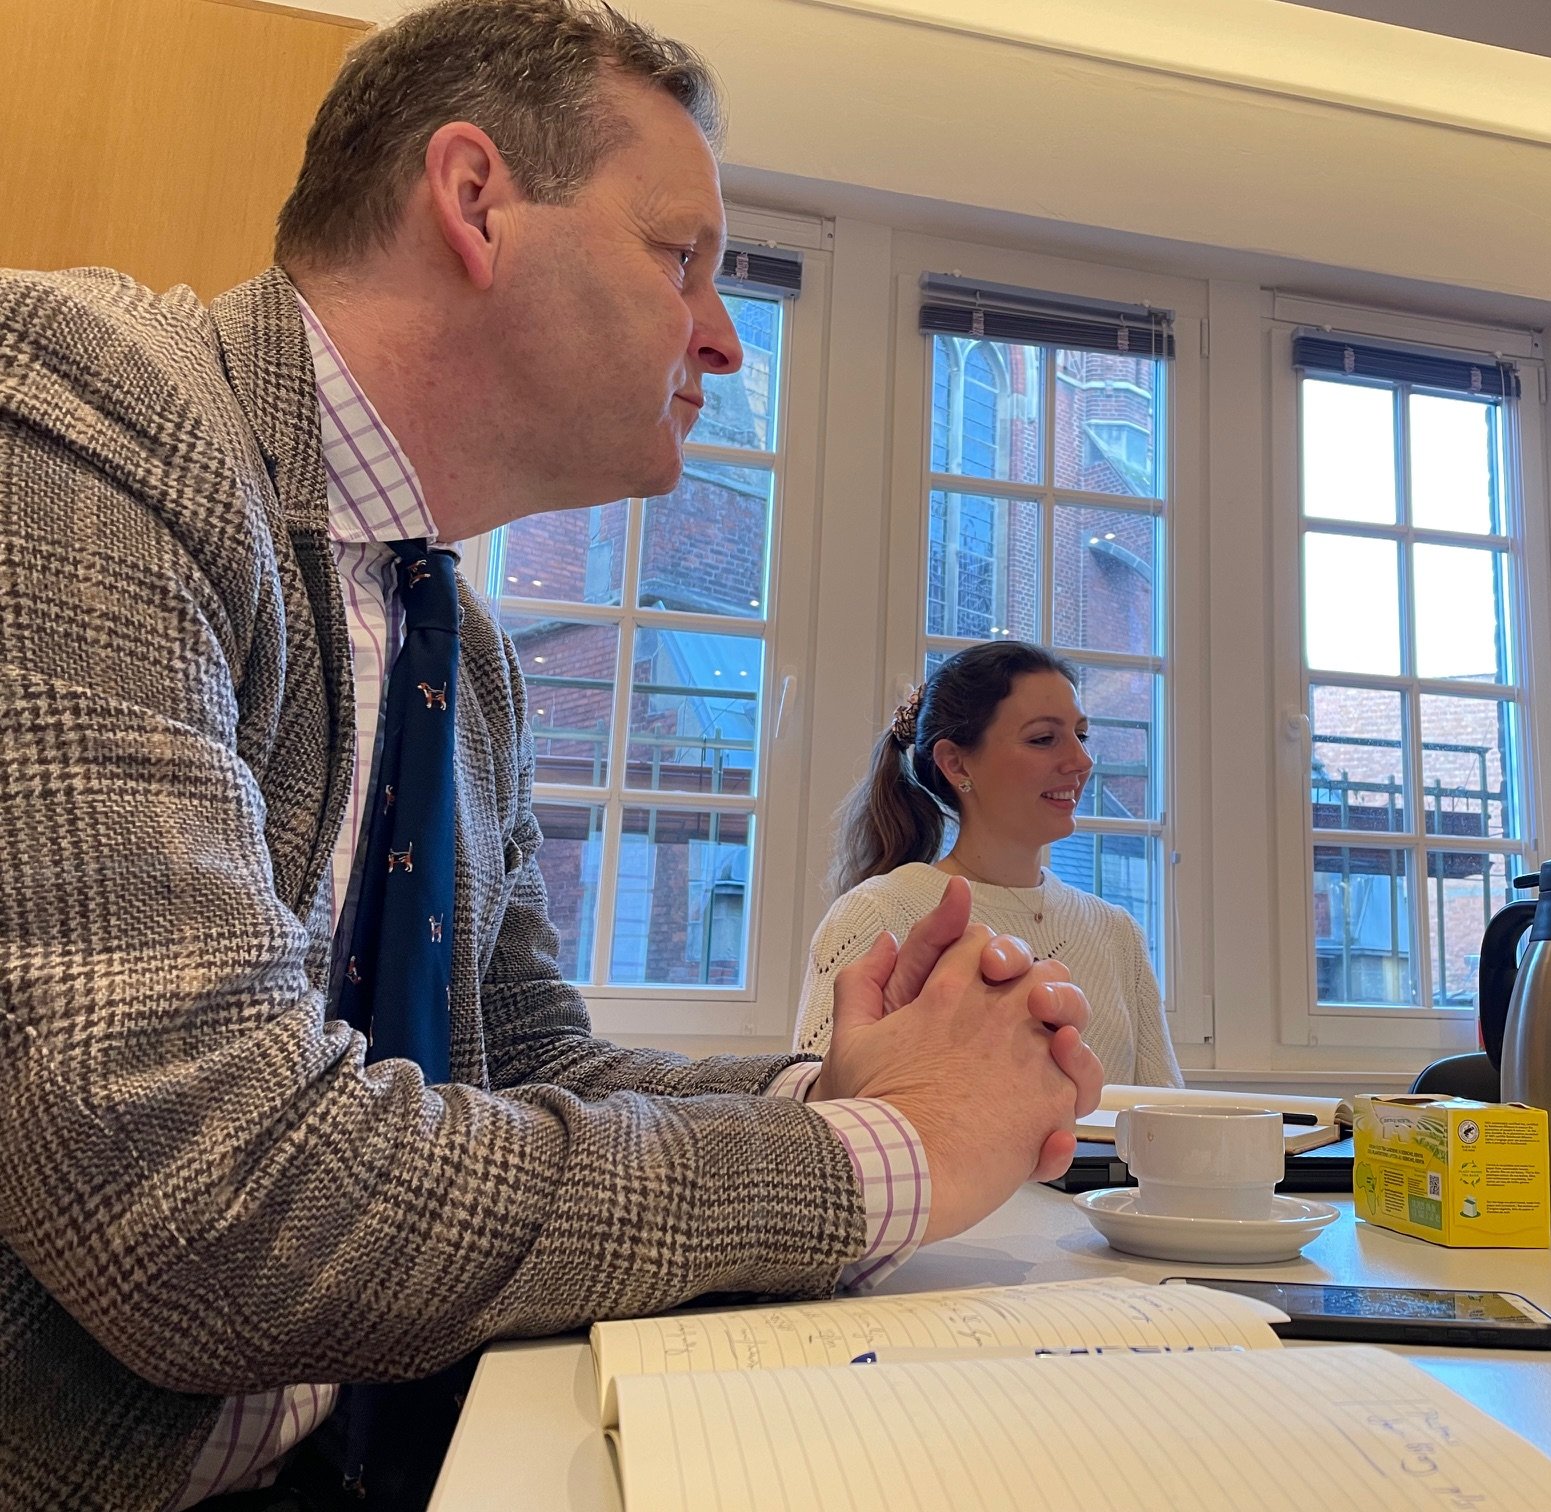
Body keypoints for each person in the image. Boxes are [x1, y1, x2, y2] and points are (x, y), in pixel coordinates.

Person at [0, 3, 1103, 1509]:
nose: (722, 338)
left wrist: (832, 1091)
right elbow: (207, 1206)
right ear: (475, 201)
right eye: (679, 257)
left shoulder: (467, 652)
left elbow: (527, 1063)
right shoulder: (81, 413)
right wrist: (882, 1154)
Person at [796, 640, 1183, 1087]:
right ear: (956, 763)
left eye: (1081, 736)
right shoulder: (875, 914)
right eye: (1043, 739)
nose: (1082, 761)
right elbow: (810, 1115)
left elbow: (1165, 1113)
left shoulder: (1119, 935)